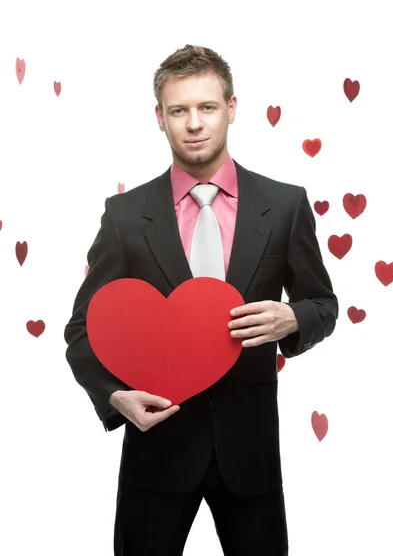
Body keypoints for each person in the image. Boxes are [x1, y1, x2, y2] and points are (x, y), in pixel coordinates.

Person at [64, 44, 339, 556]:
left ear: (231, 108)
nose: (194, 123)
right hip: (156, 456)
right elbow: (82, 330)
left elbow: (323, 304)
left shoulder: (285, 205)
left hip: (251, 458)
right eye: (179, 110)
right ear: (160, 118)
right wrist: (112, 396)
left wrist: (292, 319)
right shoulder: (125, 215)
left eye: (207, 107)